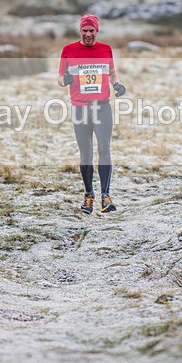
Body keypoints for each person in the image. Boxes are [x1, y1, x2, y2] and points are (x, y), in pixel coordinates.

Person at [57, 14, 126, 214]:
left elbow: (112, 72)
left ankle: (106, 197)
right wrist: (66, 80)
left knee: (104, 149)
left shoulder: (105, 49)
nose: (88, 34)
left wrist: (117, 84)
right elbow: (60, 78)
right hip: (80, 108)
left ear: (97, 31)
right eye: (85, 30)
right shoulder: (68, 50)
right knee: (86, 153)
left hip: (102, 107)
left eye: (91, 30)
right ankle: (89, 196)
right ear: (80, 31)